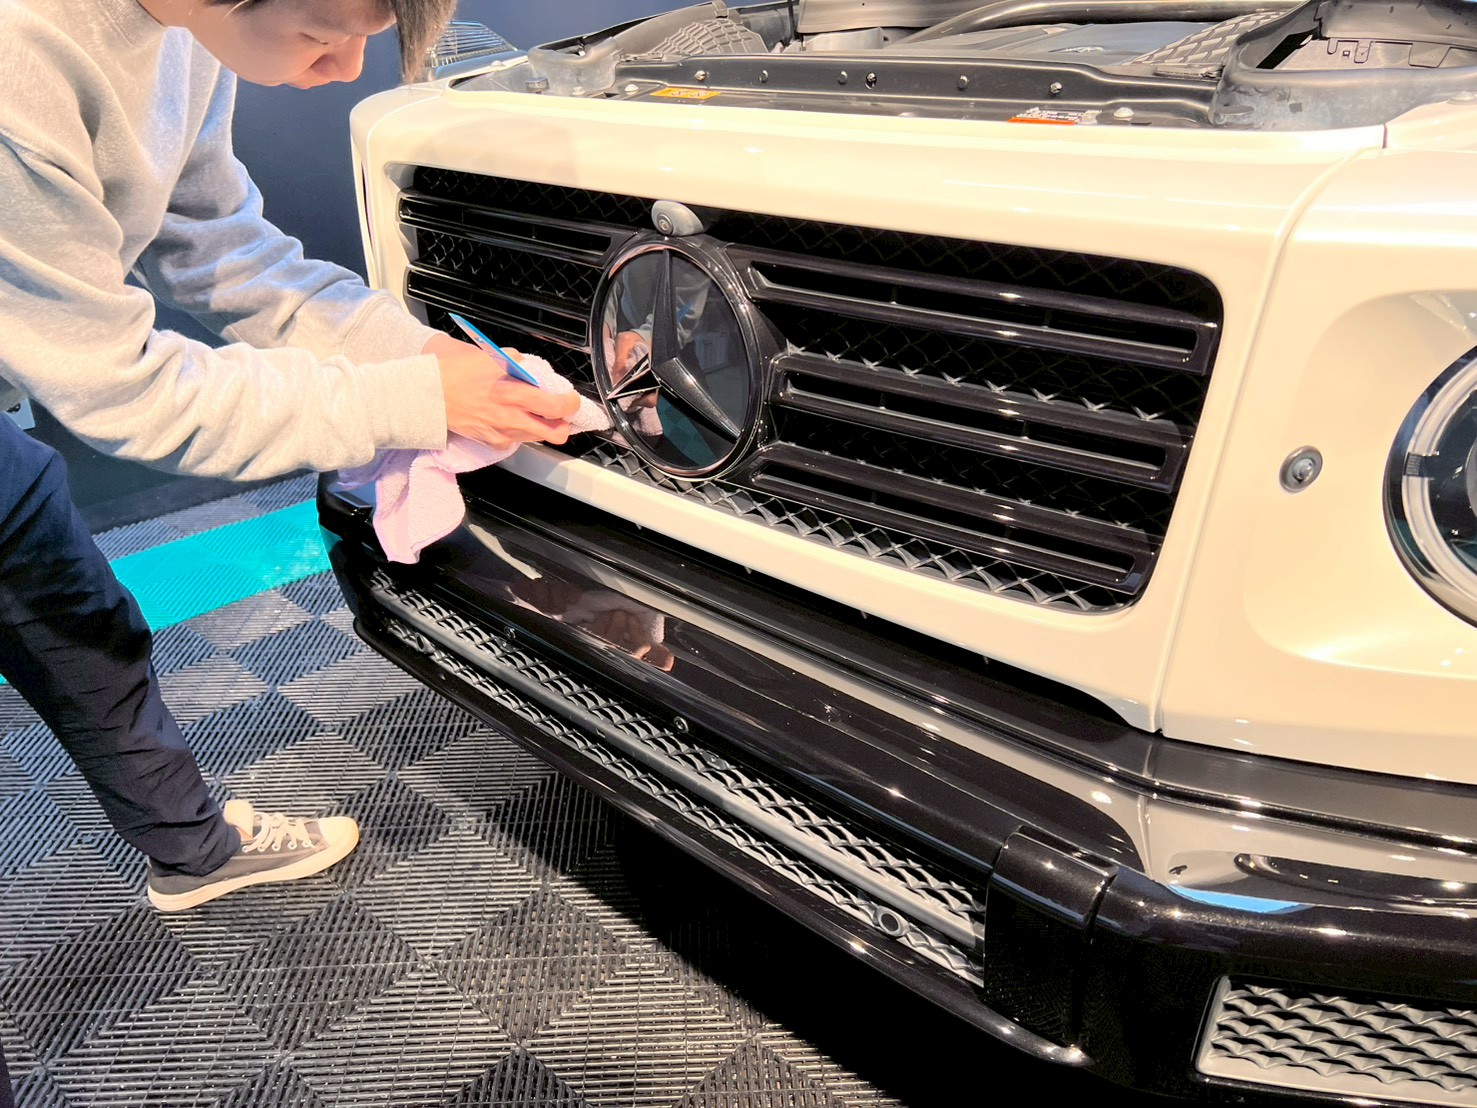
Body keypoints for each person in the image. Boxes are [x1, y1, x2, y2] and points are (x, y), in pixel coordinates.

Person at [0, 0, 579, 934]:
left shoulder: (188, 38)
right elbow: (128, 392)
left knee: (80, 623)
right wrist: (409, 402)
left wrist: (419, 354)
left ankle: (193, 851)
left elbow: (224, 251)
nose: (344, 69)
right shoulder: (17, 65)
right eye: (322, 31)